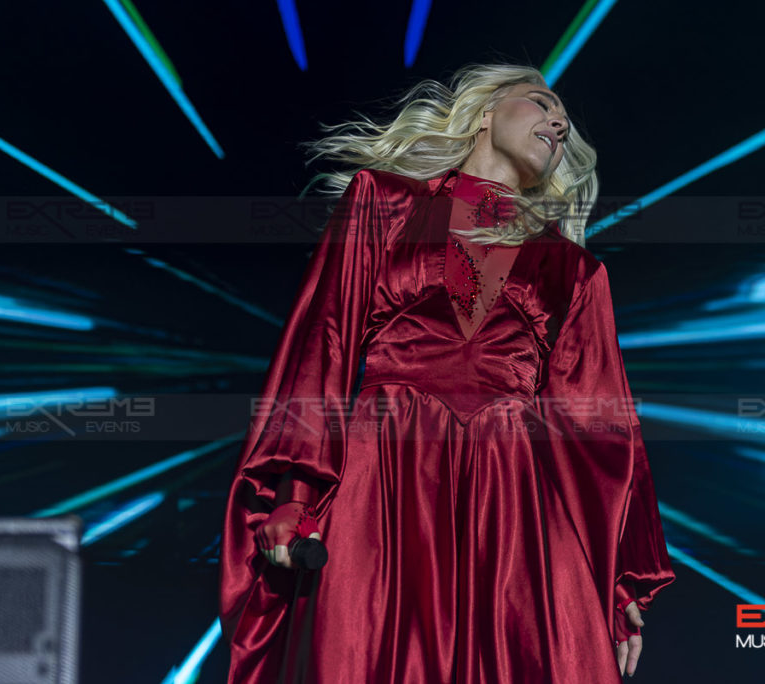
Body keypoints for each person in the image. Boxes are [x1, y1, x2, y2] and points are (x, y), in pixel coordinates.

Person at [219, 62, 676, 683]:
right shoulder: (383, 202)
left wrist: (622, 579)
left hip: (512, 492)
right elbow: (322, 343)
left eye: (565, 119)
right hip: (385, 469)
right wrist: (294, 495)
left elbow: (603, 431)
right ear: (485, 113)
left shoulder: (575, 270)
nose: (560, 122)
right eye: (541, 103)